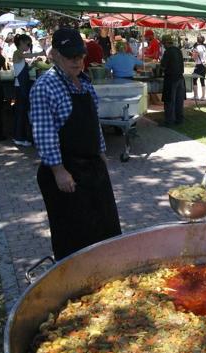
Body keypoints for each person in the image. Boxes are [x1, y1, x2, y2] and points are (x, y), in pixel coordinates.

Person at [30, 28, 121, 261]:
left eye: (80, 55)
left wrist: (101, 154)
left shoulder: (84, 82)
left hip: (92, 168)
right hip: (66, 172)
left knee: (107, 229)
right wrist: (59, 170)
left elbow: (93, 122)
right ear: (55, 55)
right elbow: (44, 133)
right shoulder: (45, 86)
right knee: (74, 237)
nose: (78, 61)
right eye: (71, 56)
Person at [12, 34, 46, 147]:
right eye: (28, 44)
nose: (29, 46)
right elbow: (26, 55)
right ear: (21, 42)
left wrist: (33, 65)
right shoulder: (17, 53)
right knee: (21, 112)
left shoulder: (20, 55)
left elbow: (23, 66)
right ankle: (19, 137)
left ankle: (18, 135)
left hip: (21, 86)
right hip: (20, 86)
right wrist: (39, 53)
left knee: (21, 112)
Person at [160, 34, 185, 127]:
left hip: (171, 78)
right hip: (180, 78)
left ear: (166, 43)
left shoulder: (168, 52)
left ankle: (169, 121)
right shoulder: (178, 50)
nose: (163, 46)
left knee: (169, 100)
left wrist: (160, 67)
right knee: (179, 101)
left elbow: (163, 66)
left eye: (163, 44)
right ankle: (179, 119)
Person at [191, 35, 206, 100]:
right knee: (202, 80)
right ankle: (203, 96)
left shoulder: (197, 48)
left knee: (194, 79)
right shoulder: (204, 47)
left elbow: (194, 57)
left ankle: (196, 96)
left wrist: (191, 54)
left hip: (199, 65)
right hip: (205, 65)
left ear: (197, 40)